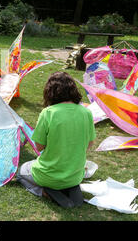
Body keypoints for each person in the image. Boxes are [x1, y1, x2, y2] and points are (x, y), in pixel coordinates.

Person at [16, 71, 96, 208]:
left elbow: (39, 147)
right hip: (75, 174)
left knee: (21, 172)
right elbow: (90, 143)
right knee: (66, 177)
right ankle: (69, 188)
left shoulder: (48, 113)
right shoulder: (86, 112)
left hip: (49, 174)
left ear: (50, 92)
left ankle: (44, 192)